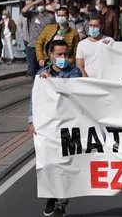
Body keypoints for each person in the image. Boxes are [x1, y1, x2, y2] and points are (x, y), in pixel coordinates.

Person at [28, 40, 81, 217]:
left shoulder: (74, 72)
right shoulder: (41, 74)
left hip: (68, 127)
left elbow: (73, 93)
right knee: (48, 163)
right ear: (51, 55)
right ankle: (51, 195)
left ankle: (61, 203)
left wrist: (53, 83)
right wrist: (31, 121)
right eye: (59, 54)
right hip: (48, 127)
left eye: (65, 54)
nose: (63, 58)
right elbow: (34, 99)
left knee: (65, 164)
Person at [21, 0, 55, 78]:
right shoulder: (33, 14)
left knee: (44, 69)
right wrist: (34, 2)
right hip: (32, 46)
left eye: (42, 4)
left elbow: (54, 29)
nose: (40, 6)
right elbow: (23, 11)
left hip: (45, 47)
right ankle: (34, 86)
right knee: (32, 70)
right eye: (39, 5)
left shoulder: (50, 16)